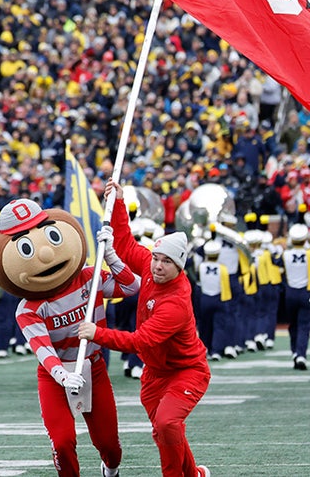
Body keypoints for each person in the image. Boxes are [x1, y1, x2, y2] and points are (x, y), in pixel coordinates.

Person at [0, 197, 140, 477]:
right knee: (63, 442)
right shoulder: (29, 308)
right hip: (55, 376)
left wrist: (113, 256)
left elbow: (132, 287)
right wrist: (62, 375)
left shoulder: (89, 279)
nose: (45, 255)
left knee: (110, 445)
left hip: (93, 366)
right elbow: (42, 349)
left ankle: (110, 470)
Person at [79, 180, 211, 477]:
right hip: (154, 373)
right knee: (165, 431)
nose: (157, 266)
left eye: (166, 262)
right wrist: (118, 202)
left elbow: (141, 340)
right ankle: (195, 475)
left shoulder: (176, 301)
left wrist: (96, 333)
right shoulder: (151, 268)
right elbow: (126, 244)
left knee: (166, 424)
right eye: (156, 258)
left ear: (179, 267)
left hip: (186, 370)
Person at [281, 223, 310, 371]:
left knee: (293, 324)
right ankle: (301, 353)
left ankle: (295, 351)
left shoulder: (285, 254)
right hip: (306, 291)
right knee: (304, 325)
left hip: (290, 292)